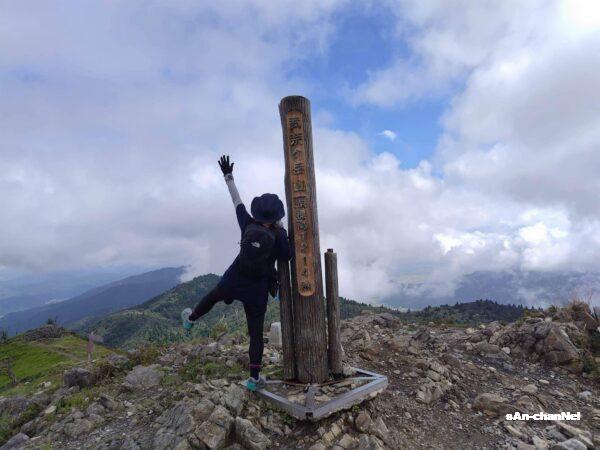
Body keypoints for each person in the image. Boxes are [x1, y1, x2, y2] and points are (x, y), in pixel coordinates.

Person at [182, 155, 293, 391]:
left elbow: (236, 200)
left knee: (213, 297)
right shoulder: (278, 236)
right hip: (258, 290)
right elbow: (287, 256)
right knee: (255, 334)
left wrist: (228, 175)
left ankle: (191, 320)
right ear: (276, 217)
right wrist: (282, 230)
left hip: (234, 279)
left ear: (258, 213)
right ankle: (253, 379)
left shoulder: (247, 223)